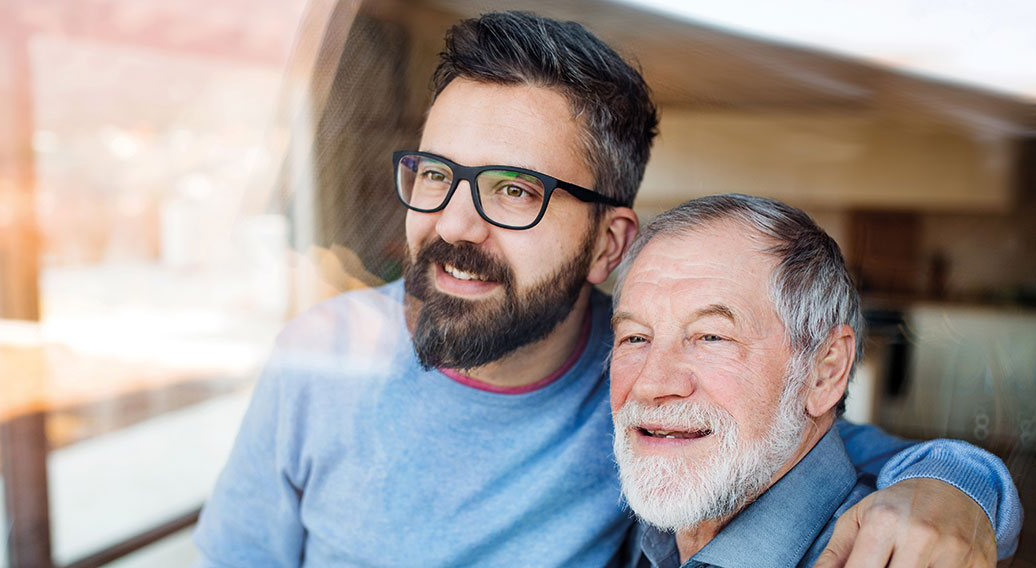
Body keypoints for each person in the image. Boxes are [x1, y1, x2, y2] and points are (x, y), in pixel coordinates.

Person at [193, 11, 1021, 567]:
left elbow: (852, 454)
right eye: (437, 175)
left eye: (513, 191)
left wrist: (954, 490)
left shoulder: (639, 385)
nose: (454, 225)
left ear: (608, 243)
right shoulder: (320, 359)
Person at [609, 194, 1011, 568]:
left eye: (712, 336)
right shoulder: (657, 524)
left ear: (824, 371)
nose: (650, 383)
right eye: (636, 338)